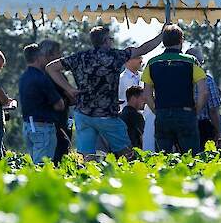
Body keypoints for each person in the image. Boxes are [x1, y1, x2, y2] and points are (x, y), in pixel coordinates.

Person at [46, 23, 164, 158]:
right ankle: (129, 176)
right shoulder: (114, 56)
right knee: (127, 153)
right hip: (106, 115)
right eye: (110, 39)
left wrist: (70, 89)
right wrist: (162, 35)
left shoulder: (80, 57)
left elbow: (51, 68)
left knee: (87, 157)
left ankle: (88, 177)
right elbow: (143, 49)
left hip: (83, 114)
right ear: (105, 41)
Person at [142, 25, 208, 153]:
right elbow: (203, 92)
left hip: (162, 113)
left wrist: (157, 111)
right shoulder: (191, 61)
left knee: (163, 159)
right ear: (181, 41)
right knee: (191, 159)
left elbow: (146, 95)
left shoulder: (152, 63)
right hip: (186, 113)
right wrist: (196, 111)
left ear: (163, 41)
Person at [18, 43, 65, 163]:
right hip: (43, 126)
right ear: (38, 57)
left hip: (28, 125)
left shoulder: (23, 77)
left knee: (36, 162)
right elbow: (59, 104)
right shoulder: (42, 78)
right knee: (43, 167)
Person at [37, 40, 72, 163]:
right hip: (55, 125)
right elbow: (64, 100)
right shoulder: (49, 77)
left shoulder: (37, 76)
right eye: (58, 53)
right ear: (49, 56)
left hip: (55, 123)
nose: (60, 56)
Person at [186, 47, 221, 149]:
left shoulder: (179, 81)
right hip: (203, 127)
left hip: (183, 124)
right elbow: (213, 110)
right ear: (200, 62)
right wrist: (219, 133)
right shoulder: (207, 80)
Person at [120, 85, 146, 149]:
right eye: (142, 98)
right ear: (133, 98)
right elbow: (142, 137)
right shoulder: (137, 116)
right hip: (133, 151)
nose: (144, 101)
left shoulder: (120, 115)